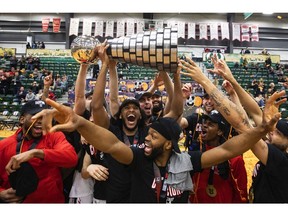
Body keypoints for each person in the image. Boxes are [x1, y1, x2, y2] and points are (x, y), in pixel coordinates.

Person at [32, 87, 281, 203]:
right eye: (147, 135)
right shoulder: (139, 156)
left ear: (169, 143)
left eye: (153, 136)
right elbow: (110, 143)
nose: (146, 139)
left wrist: (259, 130)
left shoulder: (186, 160)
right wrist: (81, 123)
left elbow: (229, 149)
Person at [181, 54, 288, 203]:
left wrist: (204, 81)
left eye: (277, 133)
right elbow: (254, 112)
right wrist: (232, 82)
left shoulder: (281, 161)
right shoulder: (273, 151)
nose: (270, 134)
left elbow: (241, 124)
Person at [0, 100, 78, 203]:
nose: (41, 121)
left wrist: (37, 153)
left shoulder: (54, 136)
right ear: (22, 119)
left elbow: (72, 159)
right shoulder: (4, 145)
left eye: (44, 117)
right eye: (36, 116)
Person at [189, 110, 248, 203]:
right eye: (204, 123)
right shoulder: (197, 154)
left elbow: (241, 194)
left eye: (211, 124)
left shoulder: (234, 160)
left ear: (220, 131)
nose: (204, 125)